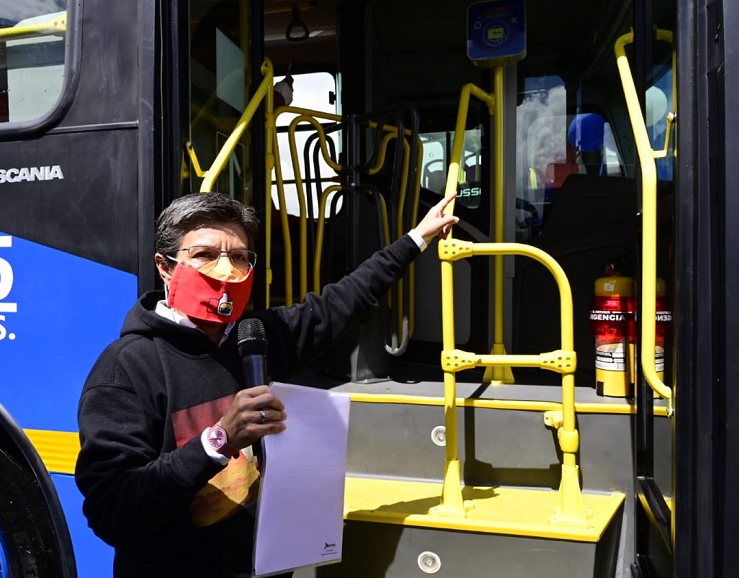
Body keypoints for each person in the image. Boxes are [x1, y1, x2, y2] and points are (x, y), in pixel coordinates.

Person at [75, 190, 459, 577]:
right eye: (205, 255)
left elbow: (346, 299)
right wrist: (218, 441)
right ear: (166, 266)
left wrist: (418, 237)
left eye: (239, 257)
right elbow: (112, 512)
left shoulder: (258, 337)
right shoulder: (126, 367)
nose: (226, 271)